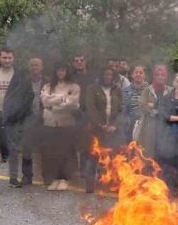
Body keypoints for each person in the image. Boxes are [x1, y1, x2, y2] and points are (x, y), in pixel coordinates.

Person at [0, 47, 34, 188]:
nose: (7, 60)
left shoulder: (21, 75)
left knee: (13, 148)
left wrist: (19, 114)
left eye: (9, 57)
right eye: (4, 57)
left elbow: (29, 96)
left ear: (13, 58)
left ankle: (13, 179)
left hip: (12, 117)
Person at [40, 62, 81, 191]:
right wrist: (62, 98)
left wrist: (53, 102)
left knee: (65, 152)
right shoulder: (48, 86)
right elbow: (44, 101)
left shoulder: (74, 87)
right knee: (52, 153)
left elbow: (72, 104)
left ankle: (65, 179)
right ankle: (55, 178)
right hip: (50, 123)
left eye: (63, 70)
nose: (61, 73)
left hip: (66, 123)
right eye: (58, 70)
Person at [84, 66, 124, 193]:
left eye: (111, 75)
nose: (108, 77)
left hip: (113, 131)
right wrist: (101, 124)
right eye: (106, 74)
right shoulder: (92, 89)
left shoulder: (117, 90)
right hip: (96, 129)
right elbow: (90, 108)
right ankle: (89, 186)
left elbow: (121, 110)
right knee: (93, 158)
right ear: (102, 75)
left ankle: (111, 185)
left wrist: (115, 125)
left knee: (113, 158)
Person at [22, 56, 48, 185]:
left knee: (46, 148)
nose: (34, 67)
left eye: (37, 65)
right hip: (28, 118)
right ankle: (27, 176)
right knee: (27, 148)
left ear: (41, 67)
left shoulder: (49, 82)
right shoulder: (24, 82)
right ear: (29, 67)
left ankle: (47, 175)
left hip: (45, 119)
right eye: (32, 65)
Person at [137, 64, 170, 158]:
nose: (160, 77)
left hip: (166, 127)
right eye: (157, 75)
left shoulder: (170, 90)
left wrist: (154, 107)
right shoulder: (147, 91)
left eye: (162, 75)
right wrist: (155, 111)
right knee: (148, 153)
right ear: (154, 76)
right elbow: (142, 106)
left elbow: (172, 107)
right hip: (149, 126)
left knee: (164, 153)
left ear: (166, 77)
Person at [122, 65, 148, 144]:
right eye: (136, 72)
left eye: (141, 73)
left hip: (145, 123)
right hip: (129, 123)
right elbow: (123, 109)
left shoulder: (150, 90)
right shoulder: (125, 91)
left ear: (145, 76)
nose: (138, 74)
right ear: (132, 75)